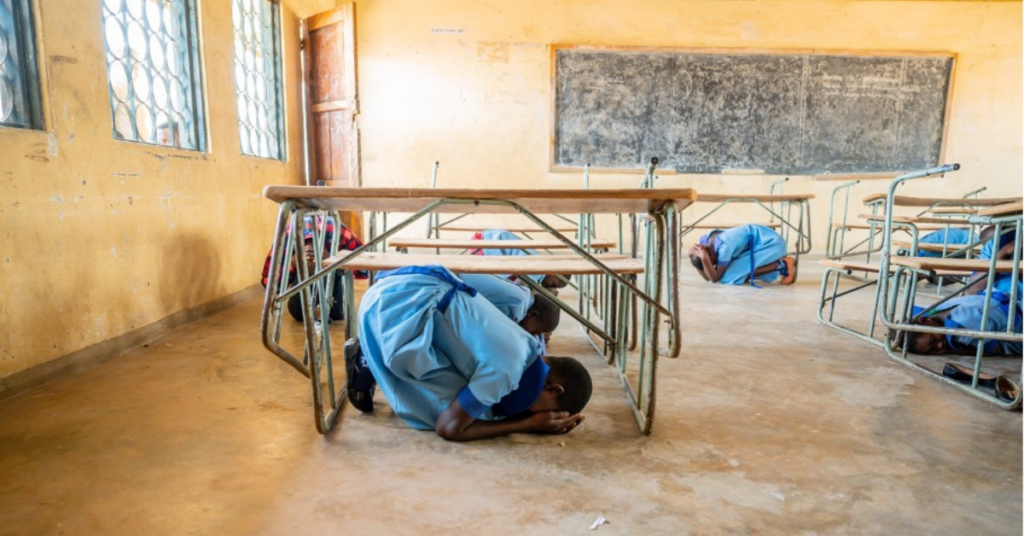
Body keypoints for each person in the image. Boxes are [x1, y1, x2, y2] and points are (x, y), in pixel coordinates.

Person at [346, 265, 592, 441]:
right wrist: (527, 424)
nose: (531, 411)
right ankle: (369, 352)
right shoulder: (509, 368)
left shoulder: (525, 346)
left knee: (476, 396)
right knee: (466, 412)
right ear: (553, 389)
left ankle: (370, 349)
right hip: (394, 305)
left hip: (401, 291)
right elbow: (449, 428)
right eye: (546, 411)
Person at [260, 215, 365, 322]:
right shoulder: (285, 238)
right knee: (300, 314)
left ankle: (330, 275)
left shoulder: (339, 232)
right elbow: (268, 284)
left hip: (332, 274)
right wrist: (291, 265)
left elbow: (367, 270)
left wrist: (335, 261)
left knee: (337, 314)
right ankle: (306, 285)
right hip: (301, 276)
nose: (311, 259)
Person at [459, 273, 561, 352]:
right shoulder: (516, 308)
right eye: (534, 331)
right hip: (450, 285)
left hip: (456, 281)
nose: (531, 334)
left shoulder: (525, 295)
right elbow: (494, 336)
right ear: (532, 314)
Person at [905, 292, 1022, 356]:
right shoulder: (935, 311)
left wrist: (952, 351)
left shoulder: (961, 329)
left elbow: (993, 350)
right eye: (932, 350)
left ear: (926, 321)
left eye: (933, 340)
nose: (940, 346)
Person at [687, 224, 796, 286]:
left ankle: (782, 265)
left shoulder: (725, 246)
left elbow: (715, 278)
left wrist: (704, 257)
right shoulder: (705, 241)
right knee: (731, 273)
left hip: (772, 244)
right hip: (760, 245)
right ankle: (777, 268)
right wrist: (694, 259)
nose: (714, 266)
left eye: (712, 264)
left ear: (710, 255)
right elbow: (708, 277)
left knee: (729, 276)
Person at [470, 229, 572, 292]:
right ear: (554, 271)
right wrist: (538, 293)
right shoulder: (539, 270)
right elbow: (518, 286)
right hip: (484, 247)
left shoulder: (538, 260)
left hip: (484, 238)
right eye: (554, 284)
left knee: (510, 278)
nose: (550, 286)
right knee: (509, 288)